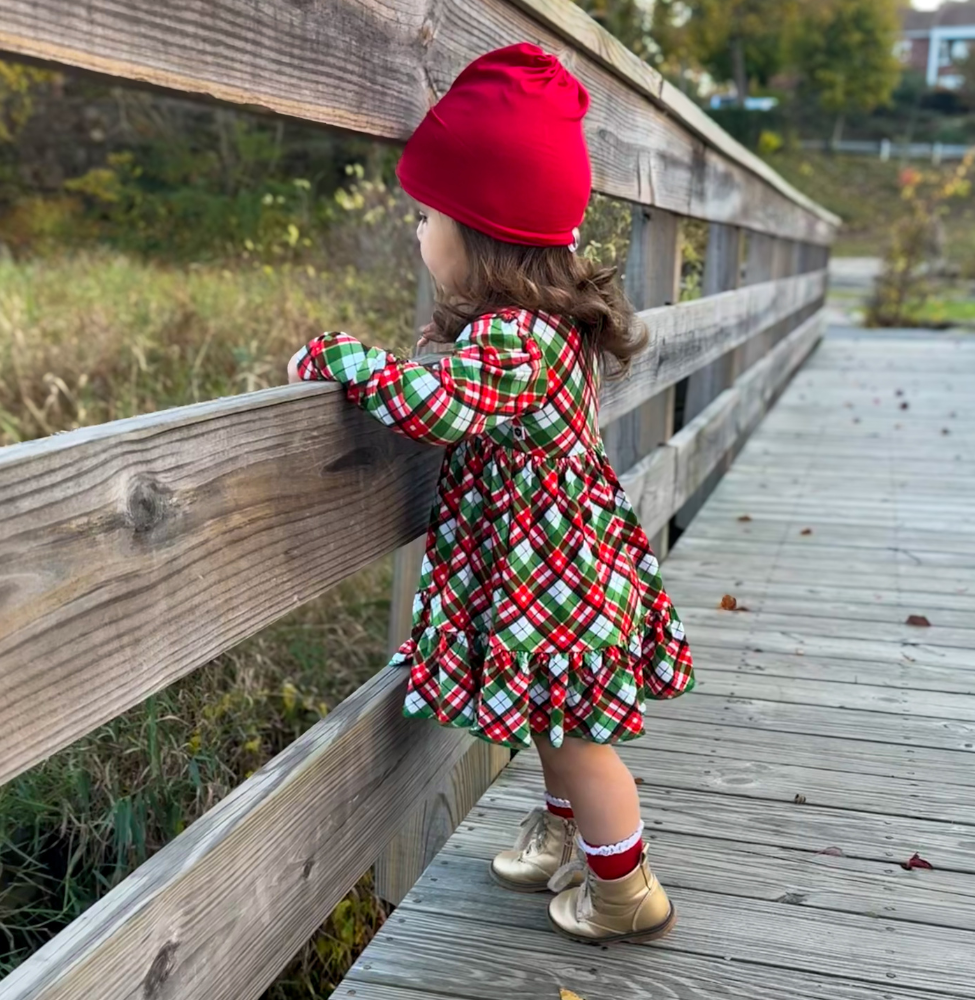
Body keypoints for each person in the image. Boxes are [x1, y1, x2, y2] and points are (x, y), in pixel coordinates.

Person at [288, 42, 694, 944]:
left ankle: (626, 891)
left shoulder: (517, 339)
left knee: (582, 736)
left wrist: (341, 356)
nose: (417, 232)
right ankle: (565, 832)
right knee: (556, 710)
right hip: (551, 568)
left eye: (427, 214)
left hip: (555, 573)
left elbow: (437, 407)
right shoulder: (534, 324)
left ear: (481, 230)